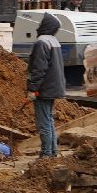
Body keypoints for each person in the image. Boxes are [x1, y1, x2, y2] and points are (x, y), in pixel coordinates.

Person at [25, 12, 67, 158]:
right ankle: (53, 152)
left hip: (44, 89)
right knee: (49, 120)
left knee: (43, 122)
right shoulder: (54, 41)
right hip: (54, 87)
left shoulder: (41, 42)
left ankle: (46, 154)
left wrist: (32, 89)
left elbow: (39, 69)